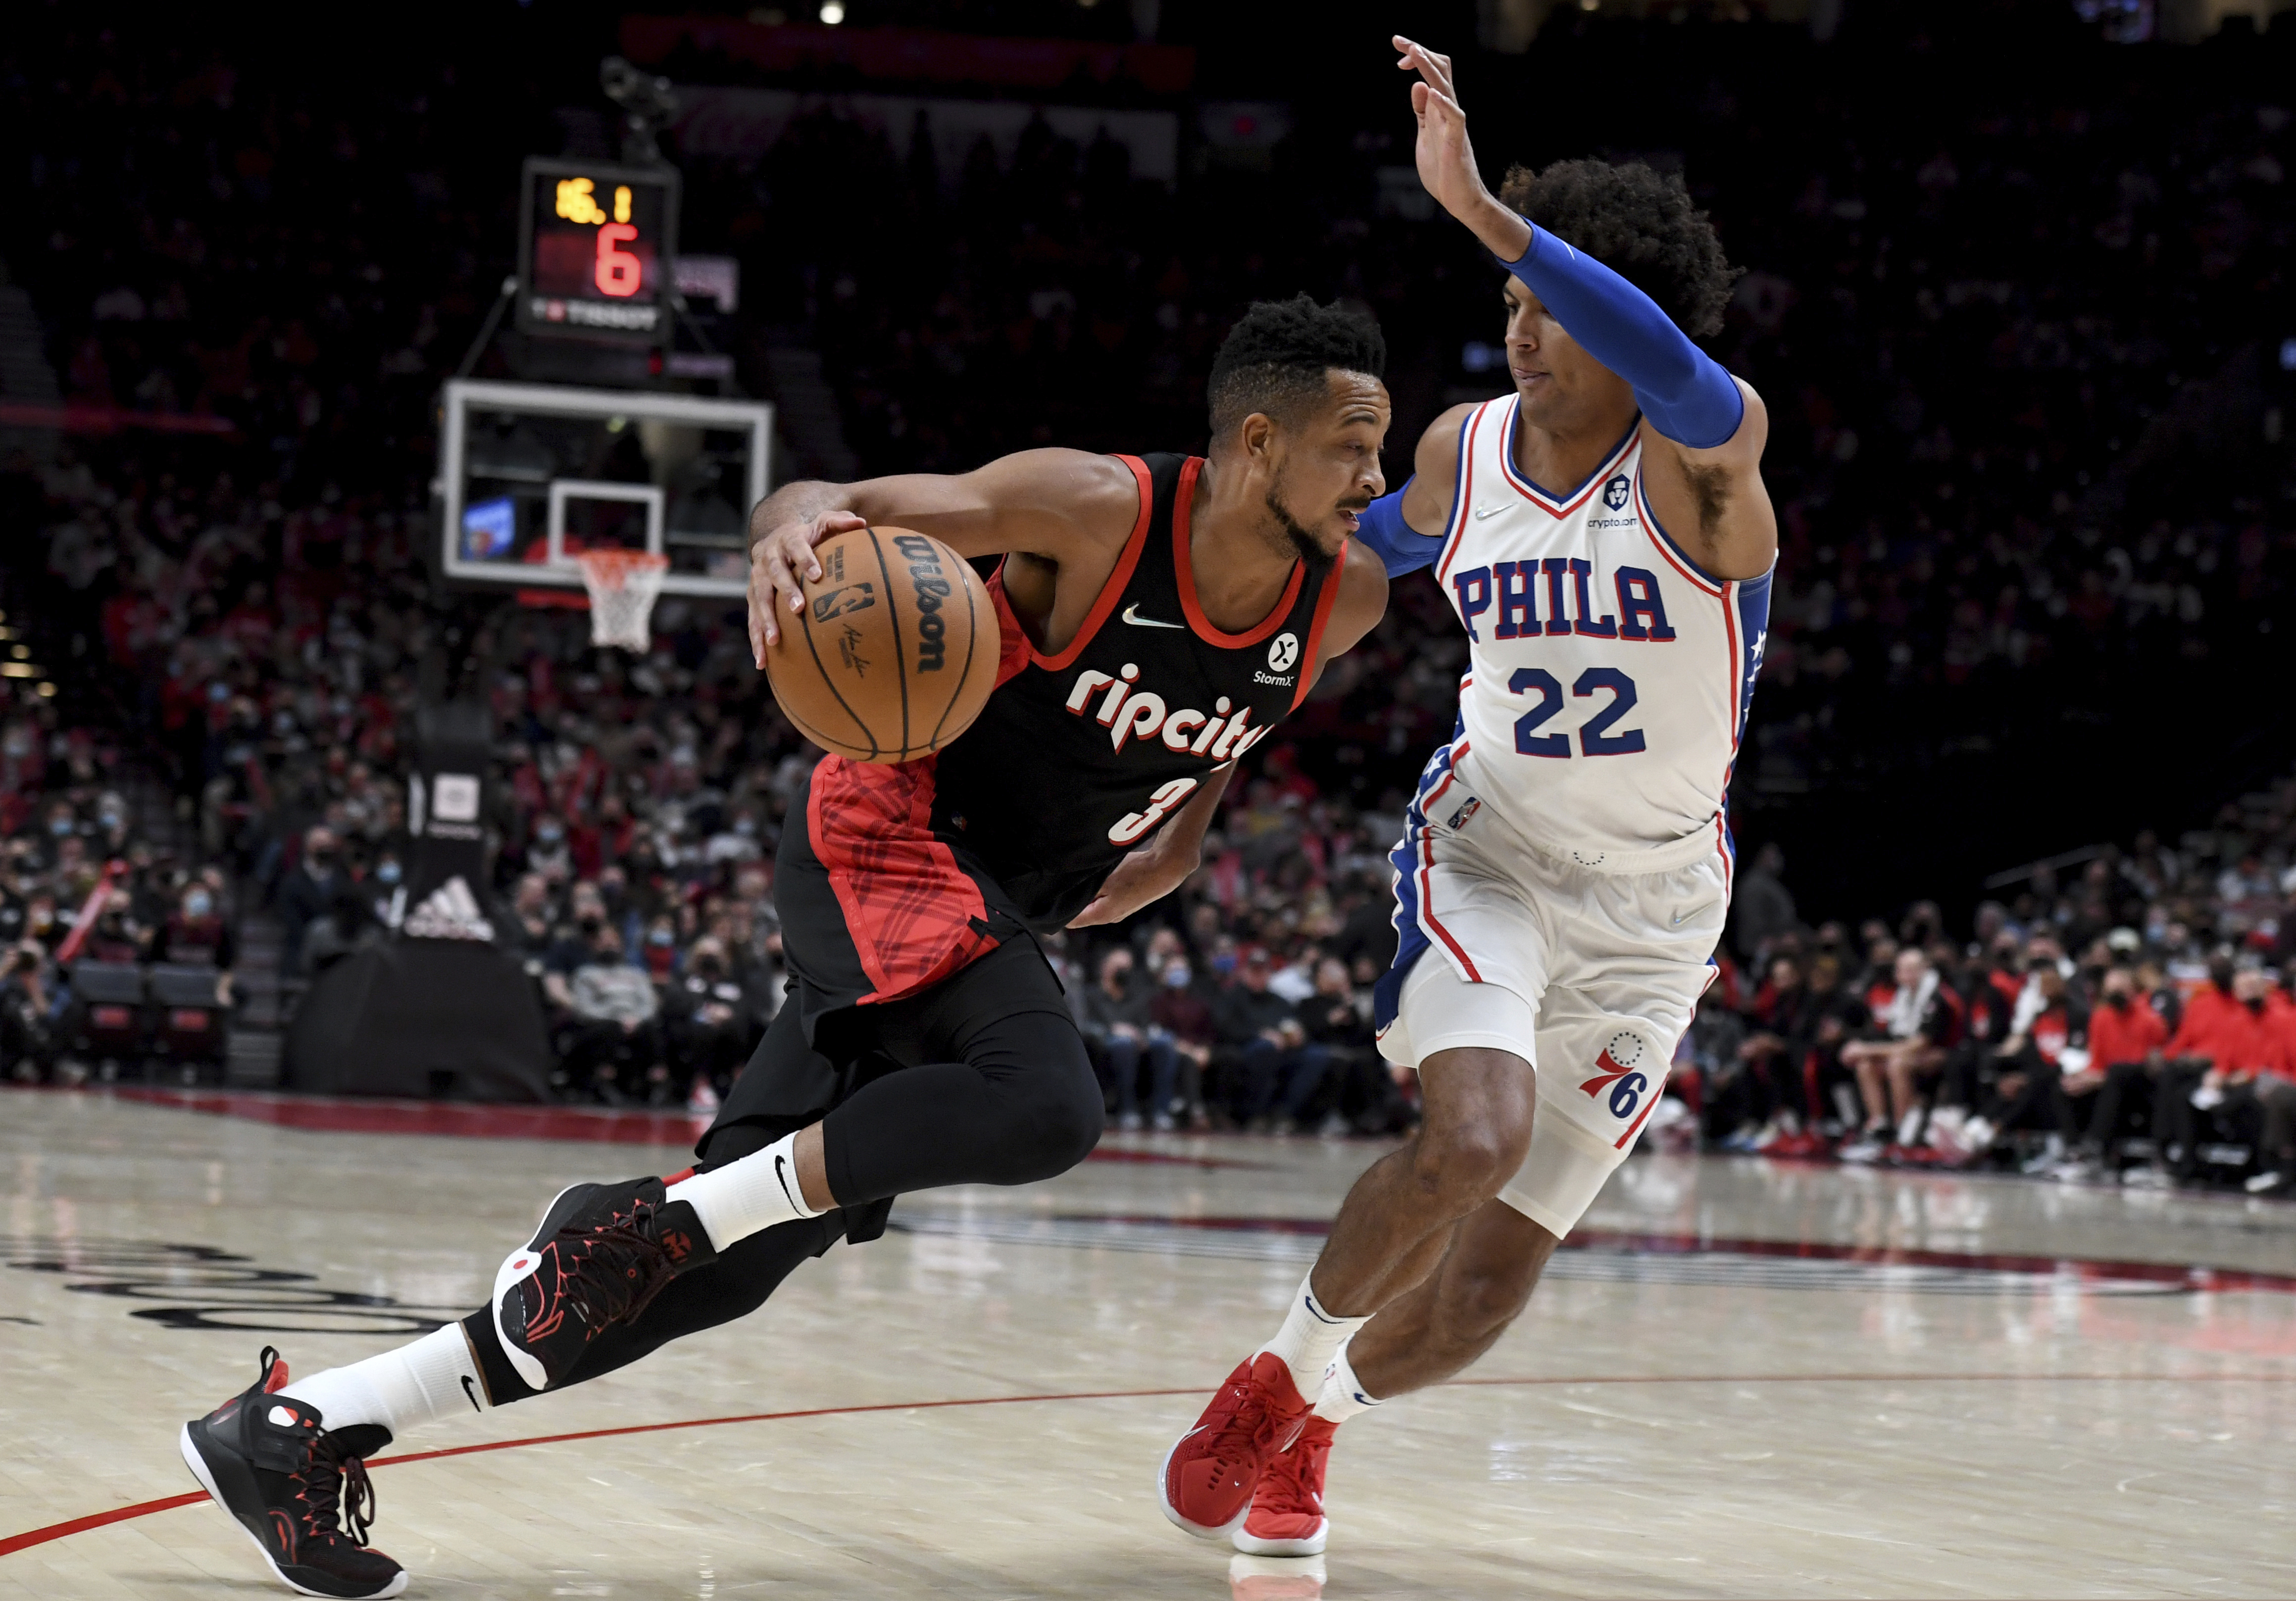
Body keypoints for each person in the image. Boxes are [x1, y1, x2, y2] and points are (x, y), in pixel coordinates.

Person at [177, 294, 1393, 1598]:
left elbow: (1233, 723)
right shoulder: (1094, 508)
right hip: (890, 833)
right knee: (1045, 1104)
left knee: (712, 1276)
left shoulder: (1349, 598)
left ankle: (299, 1434)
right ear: (1257, 443)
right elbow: (827, 499)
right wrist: (778, 537)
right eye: (1350, 449)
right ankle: (635, 1221)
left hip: (996, 902)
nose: (1373, 480)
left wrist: (1174, 846)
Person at [1160, 37, 1773, 1560]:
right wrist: (1202, 714)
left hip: (1656, 913)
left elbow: (1684, 375)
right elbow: (1347, 574)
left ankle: (1317, 1422)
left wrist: (1493, 214)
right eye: (1506, 307)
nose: (1519, 333)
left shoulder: (1710, 462)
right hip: (1488, 848)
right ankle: (1275, 1381)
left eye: (1548, 310)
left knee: (1486, 1295)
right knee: (1474, 1130)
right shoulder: (1461, 447)